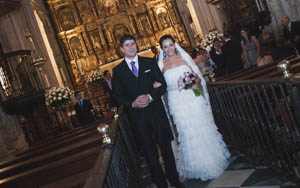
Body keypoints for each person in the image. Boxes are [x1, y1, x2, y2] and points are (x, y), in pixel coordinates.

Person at [112, 34, 184, 188]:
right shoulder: (118, 71)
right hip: (138, 118)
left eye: (133, 43)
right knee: (150, 154)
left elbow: (163, 84)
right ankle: (160, 183)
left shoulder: (149, 62)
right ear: (121, 50)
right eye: (127, 45)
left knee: (166, 149)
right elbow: (117, 95)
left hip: (156, 113)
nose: (131, 47)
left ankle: (174, 179)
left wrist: (150, 96)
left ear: (136, 45)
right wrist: (132, 103)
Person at [157, 35, 230, 180]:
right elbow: (161, 88)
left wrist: (196, 89)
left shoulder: (185, 59)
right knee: (186, 131)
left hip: (193, 97)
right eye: (165, 46)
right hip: (176, 102)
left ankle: (211, 161)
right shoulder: (161, 66)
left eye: (171, 45)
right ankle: (196, 166)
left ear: (175, 44)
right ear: (162, 49)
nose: (169, 48)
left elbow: (197, 78)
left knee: (202, 126)